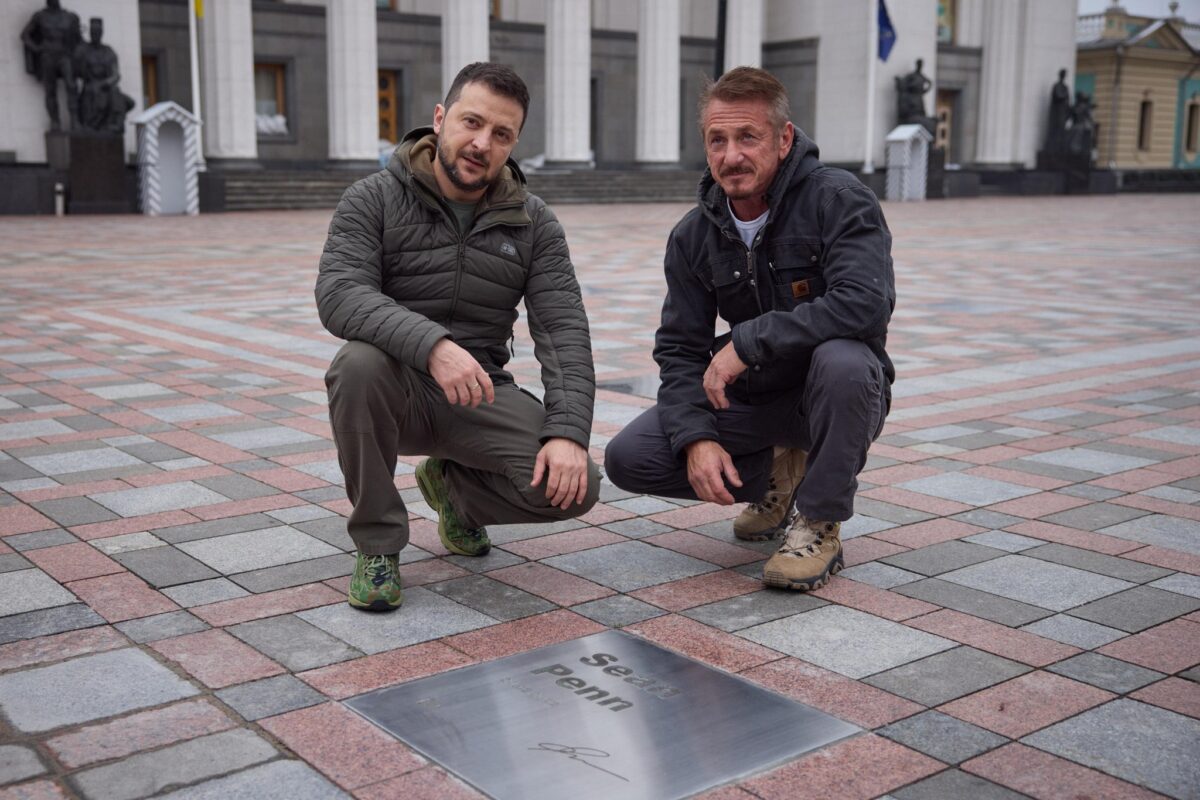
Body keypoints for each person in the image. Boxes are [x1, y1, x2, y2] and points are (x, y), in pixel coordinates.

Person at [316, 63, 600, 612]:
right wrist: (433, 346)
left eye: (502, 134)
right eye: (472, 122)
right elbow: (340, 292)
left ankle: (455, 492)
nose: (482, 144)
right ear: (440, 119)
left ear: (514, 143)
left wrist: (568, 432)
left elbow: (563, 328)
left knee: (575, 486)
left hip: (479, 392)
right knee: (356, 364)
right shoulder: (373, 198)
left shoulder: (533, 222)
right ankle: (378, 545)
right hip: (394, 389)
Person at [605, 67, 895, 592]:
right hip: (757, 396)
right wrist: (695, 439)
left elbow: (865, 303)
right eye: (717, 140)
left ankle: (818, 520)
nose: (732, 155)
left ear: (783, 139)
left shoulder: (837, 199)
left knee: (845, 361)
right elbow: (679, 349)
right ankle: (777, 475)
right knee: (630, 459)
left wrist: (747, 342)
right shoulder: (694, 234)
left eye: (748, 137)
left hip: (833, 396)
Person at [21, 0, 82, 132]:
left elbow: (79, 40)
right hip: (48, 55)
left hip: (64, 55)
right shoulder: (40, 16)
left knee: (71, 85)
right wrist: (37, 48)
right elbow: (25, 35)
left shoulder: (69, 17)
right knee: (50, 90)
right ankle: (55, 121)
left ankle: (75, 120)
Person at [74, 17, 135, 134]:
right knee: (94, 92)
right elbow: (78, 70)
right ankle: (93, 123)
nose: (95, 35)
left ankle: (116, 124)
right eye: (93, 32)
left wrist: (106, 83)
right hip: (90, 85)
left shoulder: (108, 51)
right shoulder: (84, 50)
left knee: (115, 93)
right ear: (90, 33)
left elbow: (116, 75)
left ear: (101, 33)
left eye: (97, 32)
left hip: (106, 85)